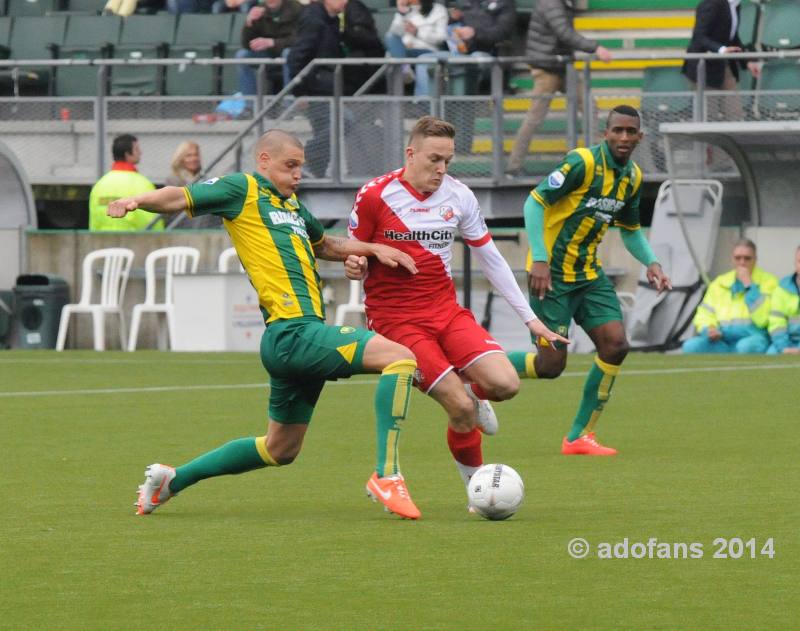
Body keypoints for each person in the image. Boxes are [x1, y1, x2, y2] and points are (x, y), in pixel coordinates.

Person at [109, 129, 424, 520]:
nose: (298, 175)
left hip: (294, 340)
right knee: (400, 357)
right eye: (290, 166)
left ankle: (172, 480)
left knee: (281, 449)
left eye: (301, 167)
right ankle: (387, 474)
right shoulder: (243, 189)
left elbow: (326, 245)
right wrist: (135, 200)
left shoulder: (293, 208)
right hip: (293, 332)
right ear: (263, 161)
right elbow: (179, 196)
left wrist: (372, 249)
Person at [344, 116, 569, 494]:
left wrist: (531, 321)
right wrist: (355, 265)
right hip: (396, 322)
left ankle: (473, 393)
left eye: (448, 160)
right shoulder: (375, 195)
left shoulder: (459, 195)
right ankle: (478, 491)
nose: (442, 169)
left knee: (505, 384)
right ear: (411, 153)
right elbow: (354, 251)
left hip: (445, 312)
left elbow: (491, 259)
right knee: (461, 409)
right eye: (434, 159)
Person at [509, 105, 672, 455]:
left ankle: (579, 436)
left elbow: (630, 231)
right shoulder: (581, 163)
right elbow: (534, 203)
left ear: (640, 137)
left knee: (616, 345)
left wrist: (651, 262)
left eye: (631, 132)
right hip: (550, 276)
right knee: (549, 366)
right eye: (618, 131)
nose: (624, 137)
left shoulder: (632, 178)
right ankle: (476, 365)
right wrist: (539, 258)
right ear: (606, 133)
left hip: (589, 276)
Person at [506, 0, 612, 178]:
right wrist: (596, 47)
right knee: (535, 117)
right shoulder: (551, 3)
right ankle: (513, 167)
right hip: (547, 67)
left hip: (562, 65)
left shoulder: (563, 3)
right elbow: (564, 33)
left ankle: (598, 163)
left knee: (589, 106)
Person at [683, 238, 777, 354]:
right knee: (691, 346)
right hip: (721, 340)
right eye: (738, 258)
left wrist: (749, 285)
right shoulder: (719, 283)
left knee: (745, 347)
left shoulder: (769, 282)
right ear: (732, 259)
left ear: (755, 260)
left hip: (753, 338)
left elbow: (764, 320)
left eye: (747, 258)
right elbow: (704, 314)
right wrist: (710, 329)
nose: (742, 262)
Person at [288, 0, 348, 178]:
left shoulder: (332, 19)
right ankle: (304, 160)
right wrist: (300, 92)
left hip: (328, 88)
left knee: (326, 129)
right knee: (344, 121)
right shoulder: (313, 19)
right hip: (314, 89)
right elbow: (297, 56)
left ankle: (315, 171)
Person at [682, 0, 761, 122]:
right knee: (709, 116)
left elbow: (732, 38)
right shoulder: (711, 4)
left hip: (722, 66)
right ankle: (707, 141)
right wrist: (721, 49)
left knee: (735, 113)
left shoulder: (736, 6)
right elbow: (699, 36)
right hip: (703, 68)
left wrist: (747, 61)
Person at [89, 134, 162, 232]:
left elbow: (94, 220)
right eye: (137, 149)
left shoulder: (100, 185)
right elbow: (151, 221)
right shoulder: (143, 184)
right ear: (127, 154)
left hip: (103, 242)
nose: (140, 153)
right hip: (133, 243)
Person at [235, 0, 303, 96]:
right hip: (267, 53)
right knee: (242, 55)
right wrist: (249, 23)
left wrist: (273, 43)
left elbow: (300, 39)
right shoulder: (259, 9)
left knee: (288, 53)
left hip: (290, 51)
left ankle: (289, 102)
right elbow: (247, 44)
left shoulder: (296, 8)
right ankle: (250, 104)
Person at [384, 0, 448, 97]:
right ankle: (405, 70)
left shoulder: (438, 9)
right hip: (406, 49)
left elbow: (441, 38)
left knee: (405, 59)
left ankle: (422, 100)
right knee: (390, 38)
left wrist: (417, 32)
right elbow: (395, 33)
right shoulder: (406, 9)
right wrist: (401, 14)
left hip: (427, 49)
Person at [164, 141, 222, 229]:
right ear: (181, 158)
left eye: (196, 155)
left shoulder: (205, 177)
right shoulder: (173, 179)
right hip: (181, 228)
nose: (194, 158)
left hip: (205, 227)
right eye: (189, 156)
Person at [768, 245, 800, 355]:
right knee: (770, 356)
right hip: (785, 342)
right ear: (795, 264)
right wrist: (784, 348)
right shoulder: (781, 290)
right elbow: (777, 324)